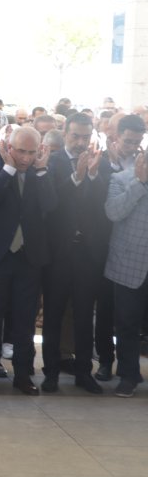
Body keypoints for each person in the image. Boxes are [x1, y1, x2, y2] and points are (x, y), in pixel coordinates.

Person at [0, 127, 55, 395]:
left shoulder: (41, 169)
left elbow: (50, 206)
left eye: (32, 152)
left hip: (29, 258)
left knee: (25, 319)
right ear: (8, 146)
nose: (26, 158)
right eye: (21, 151)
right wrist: (7, 171)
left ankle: (23, 374)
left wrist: (42, 171)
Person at [42, 113, 112, 394]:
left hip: (88, 254)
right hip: (59, 253)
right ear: (65, 133)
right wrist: (76, 177)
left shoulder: (102, 163)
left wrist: (93, 175)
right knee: (54, 314)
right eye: (75, 136)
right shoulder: (53, 161)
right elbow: (50, 204)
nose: (81, 142)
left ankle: (84, 371)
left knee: (85, 314)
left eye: (85, 137)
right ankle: (50, 372)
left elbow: (104, 207)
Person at [104, 151, 148, 397]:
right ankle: (128, 376)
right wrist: (139, 183)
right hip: (128, 265)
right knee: (127, 325)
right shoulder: (122, 179)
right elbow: (113, 212)